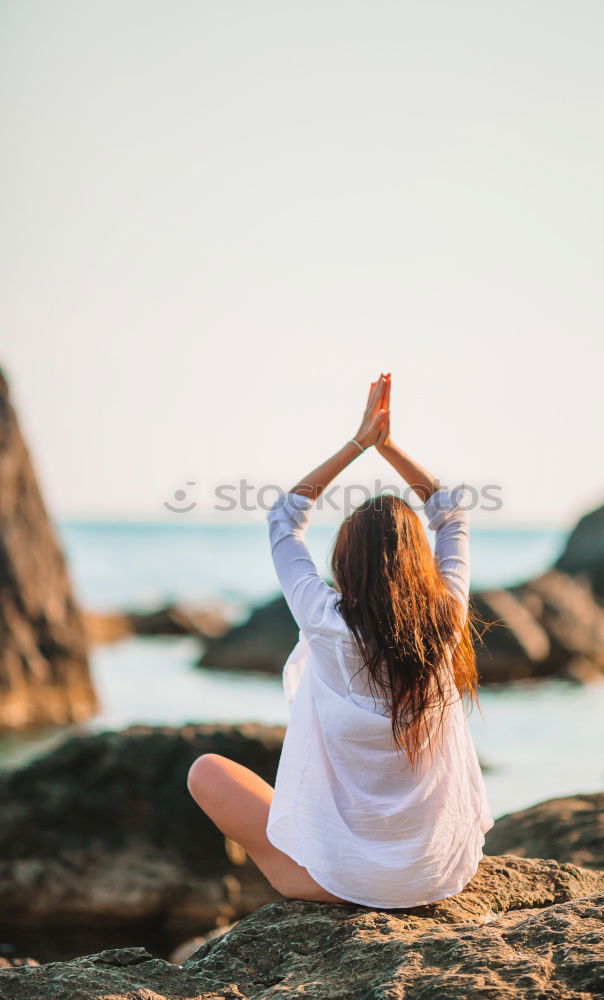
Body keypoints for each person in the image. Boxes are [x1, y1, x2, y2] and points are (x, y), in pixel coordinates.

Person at [188, 373, 493, 907]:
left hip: (334, 883)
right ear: (420, 564)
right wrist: (391, 448)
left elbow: (284, 519)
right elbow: (450, 513)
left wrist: (359, 443)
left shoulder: (326, 622)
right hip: (439, 877)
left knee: (205, 772)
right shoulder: (445, 622)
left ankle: (344, 865)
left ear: (345, 562)